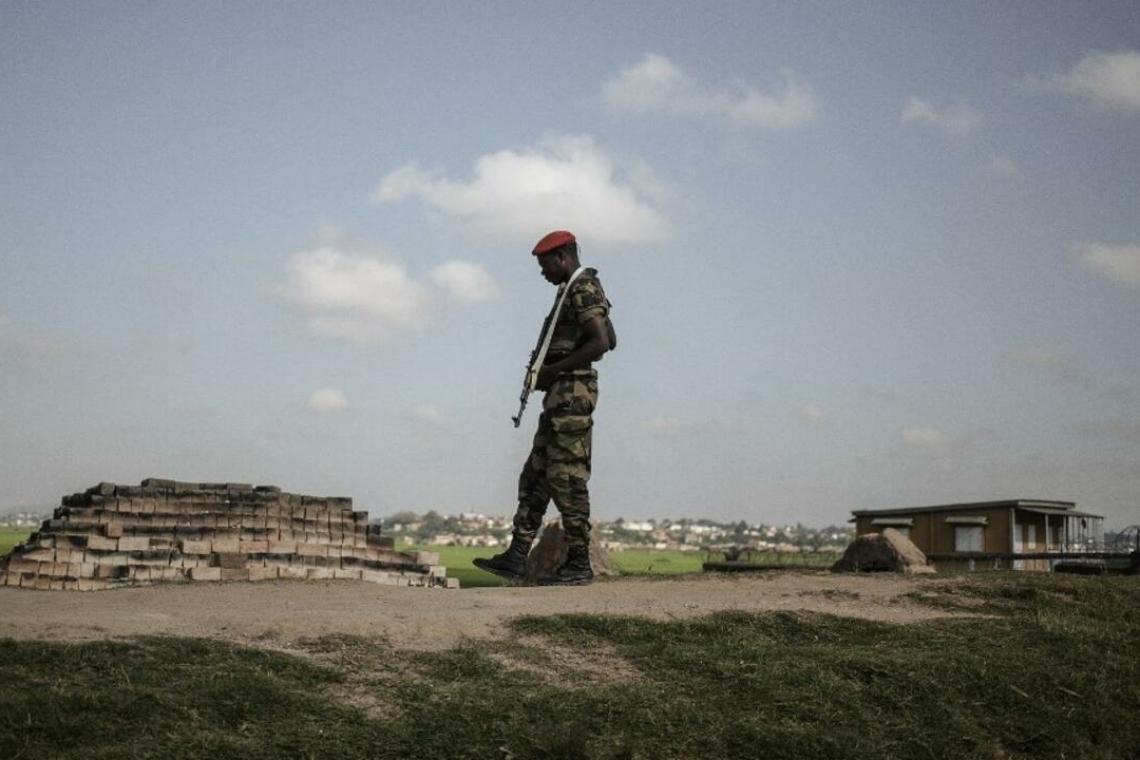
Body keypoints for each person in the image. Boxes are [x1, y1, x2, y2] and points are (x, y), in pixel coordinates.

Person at [474, 230, 614, 586]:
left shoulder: (582, 287)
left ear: (563, 257)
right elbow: (610, 338)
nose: (543, 272)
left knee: (566, 478)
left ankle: (579, 563)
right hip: (561, 396)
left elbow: (599, 343)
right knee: (536, 475)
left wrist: (553, 369)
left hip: (571, 395)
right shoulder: (574, 289)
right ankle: (516, 556)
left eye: (545, 264)